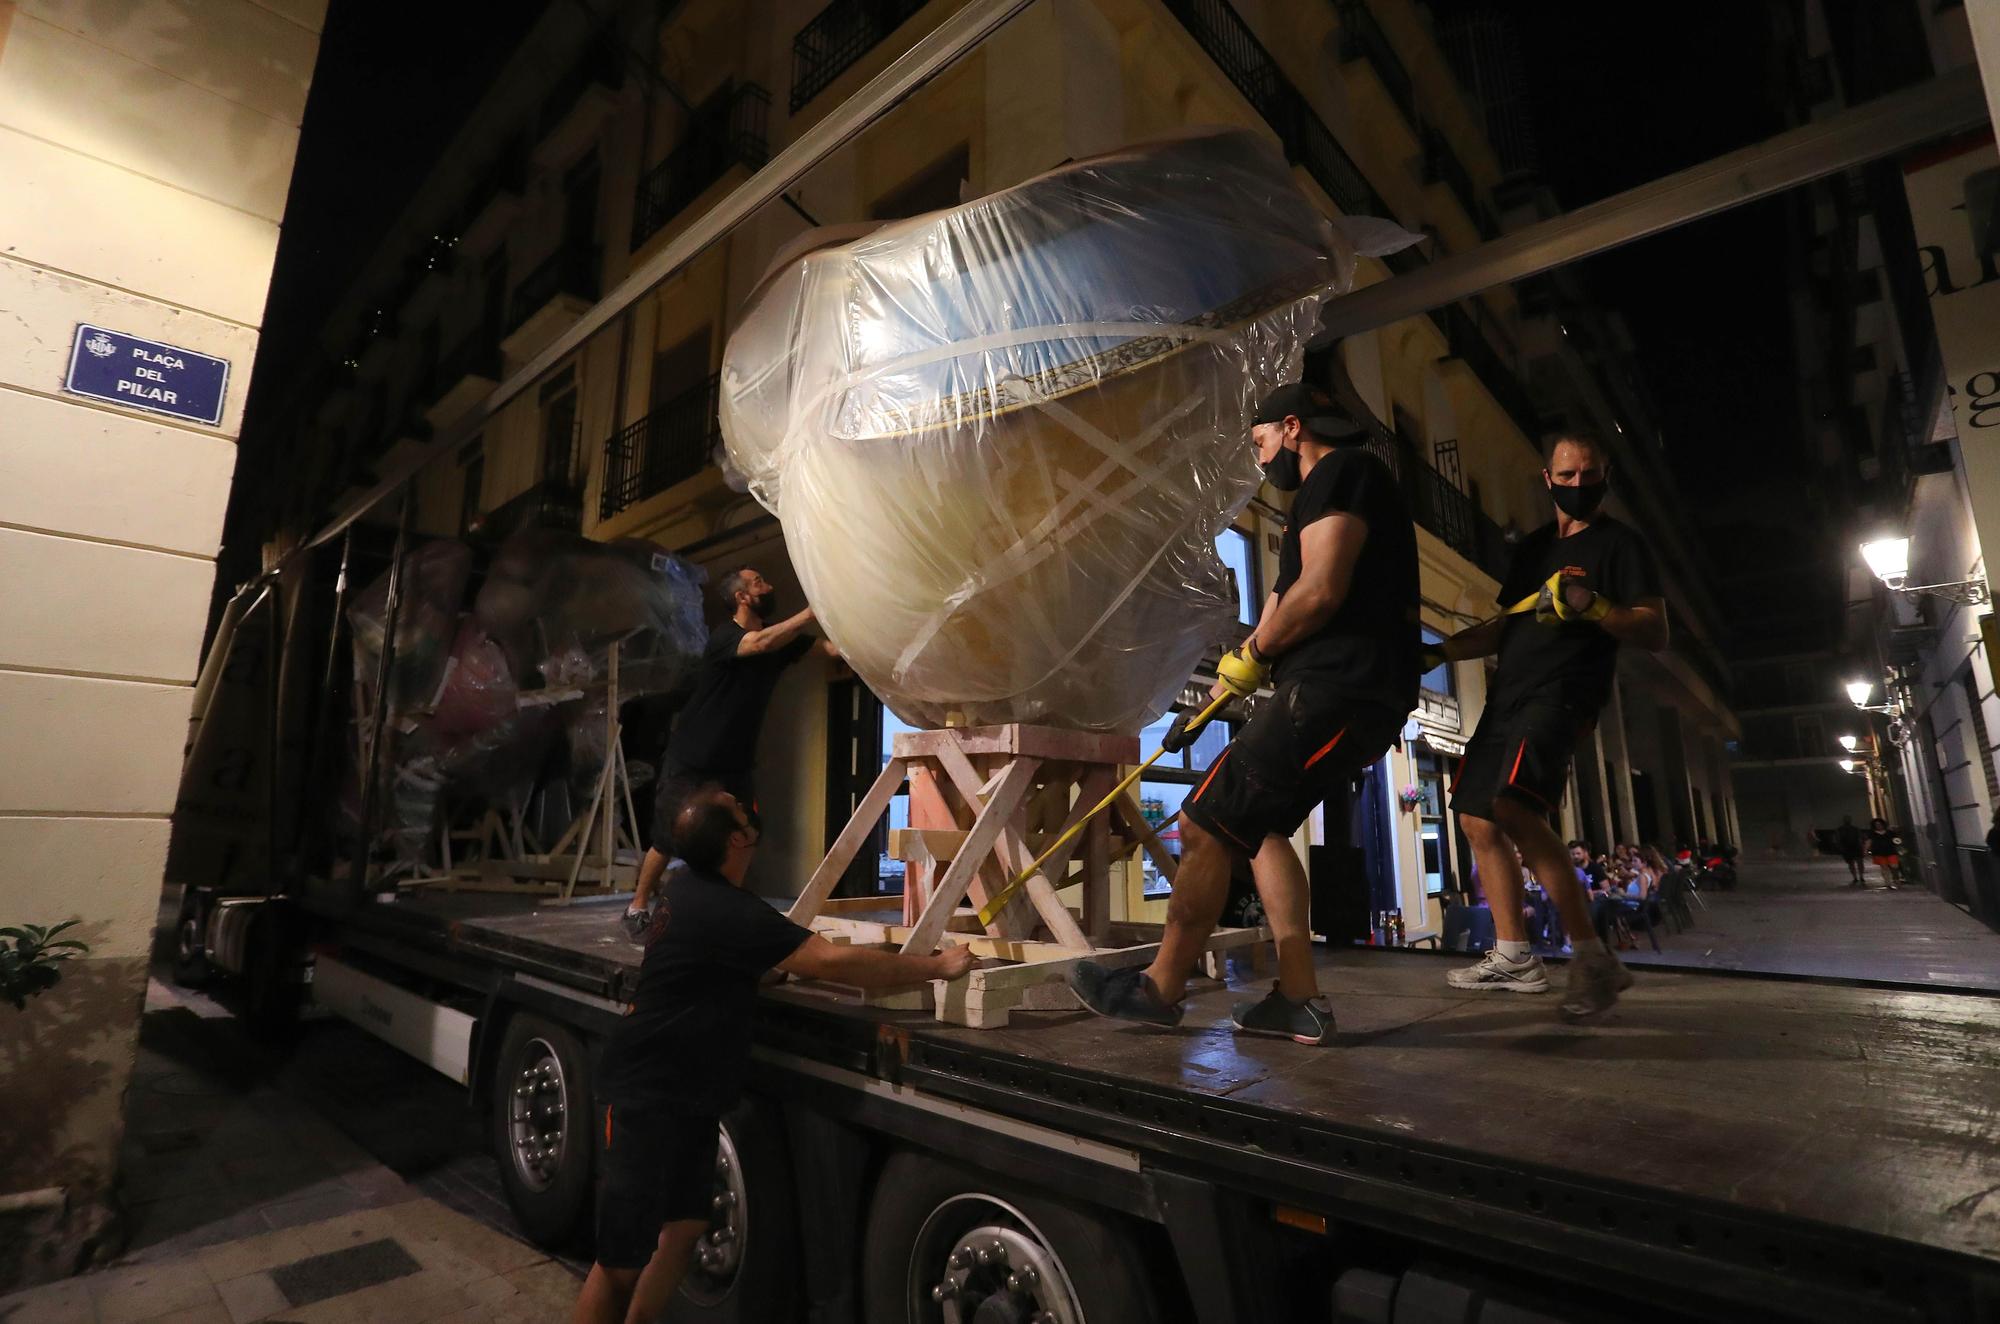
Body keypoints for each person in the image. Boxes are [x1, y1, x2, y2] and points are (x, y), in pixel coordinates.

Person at [1068, 379, 1420, 1045]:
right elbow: (1286, 605)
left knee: (1203, 822)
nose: (1260, 460)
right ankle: (1296, 997)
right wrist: (1239, 672)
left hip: (1338, 686)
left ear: (1292, 426)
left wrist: (1254, 653)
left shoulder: (1344, 471)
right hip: (1341, 689)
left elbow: (1318, 594)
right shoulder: (1312, 503)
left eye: (1260, 443)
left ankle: (1158, 989)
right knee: (1258, 833)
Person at [575, 788, 974, 1324]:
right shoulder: (730, 909)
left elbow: (718, 959)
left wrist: (770, 965)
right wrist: (934, 966)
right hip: (651, 1096)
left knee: (686, 1228)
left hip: (685, 1095)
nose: (747, 803)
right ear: (740, 838)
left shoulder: (687, 886)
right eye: (740, 807)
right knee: (620, 1262)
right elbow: (831, 963)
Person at [1427, 432, 1668, 1022]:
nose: (1579, 485)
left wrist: (1597, 607)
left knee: (1511, 806)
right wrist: (1437, 651)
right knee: (1475, 818)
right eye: (1567, 476)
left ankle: (1593, 958)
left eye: (1589, 474)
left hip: (1561, 693)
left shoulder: (1621, 545)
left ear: (1605, 474)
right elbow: (1503, 625)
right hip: (1509, 693)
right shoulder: (1534, 548)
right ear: (1547, 479)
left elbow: (1655, 631)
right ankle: (1514, 956)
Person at [623, 567, 837, 941]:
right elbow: (758, 644)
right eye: (759, 582)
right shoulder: (726, 637)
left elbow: (831, 651)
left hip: (734, 761)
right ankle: (638, 905)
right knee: (668, 834)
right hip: (693, 756)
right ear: (741, 597)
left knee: (745, 831)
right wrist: (809, 613)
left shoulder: (782, 640)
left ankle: (726, 904)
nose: (768, 586)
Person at [1867, 817, 1902, 890]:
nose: (1878, 826)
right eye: (1876, 824)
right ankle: (1888, 883)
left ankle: (1896, 879)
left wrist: (1898, 846)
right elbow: (1869, 841)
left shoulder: (1890, 832)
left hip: (1891, 851)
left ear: (1883, 824)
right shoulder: (1872, 833)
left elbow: (1896, 840)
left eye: (1879, 824)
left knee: (1894, 866)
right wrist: (1866, 849)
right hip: (1879, 852)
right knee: (1884, 867)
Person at [1835, 816, 1865, 888]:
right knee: (1854, 863)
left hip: (1853, 847)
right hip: (1849, 848)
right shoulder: (1842, 829)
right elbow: (1838, 839)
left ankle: (1859, 876)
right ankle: (1857, 877)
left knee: (1857, 863)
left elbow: (1860, 838)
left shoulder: (1842, 829)